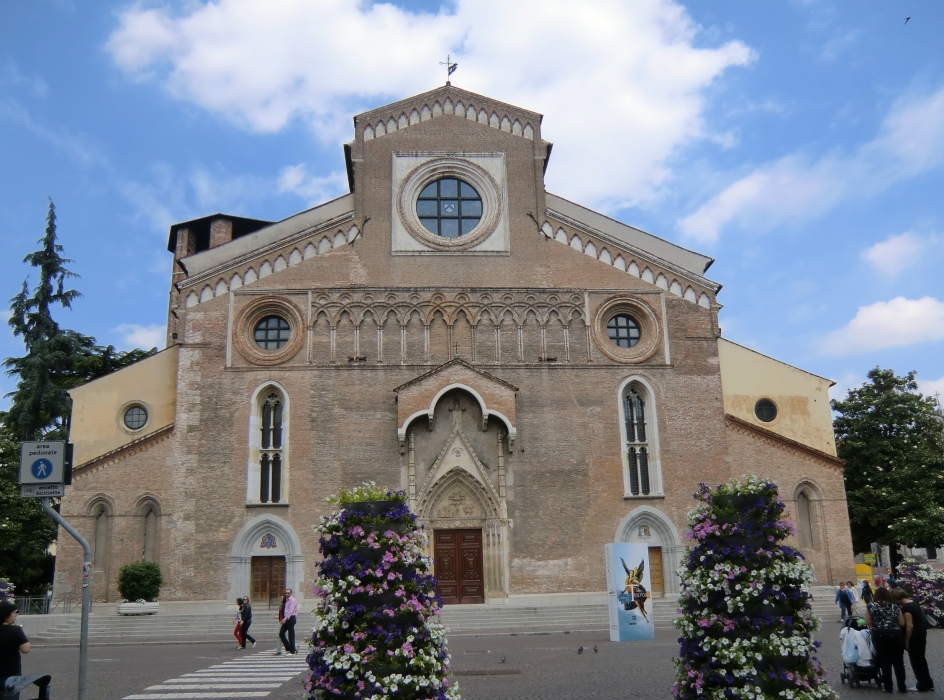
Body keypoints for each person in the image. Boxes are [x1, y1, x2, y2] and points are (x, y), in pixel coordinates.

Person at [0, 600, 49, 700]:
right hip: (11, 675)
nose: (15, 615)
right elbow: (26, 649)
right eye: (14, 612)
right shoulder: (15, 630)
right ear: (7, 614)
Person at [865, 586, 907, 693]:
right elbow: (902, 623)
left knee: (885, 662)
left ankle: (888, 687)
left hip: (879, 635)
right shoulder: (895, 606)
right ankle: (902, 687)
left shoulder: (871, 606)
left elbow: (868, 622)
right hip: (895, 634)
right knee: (899, 662)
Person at [891, 588, 934, 692]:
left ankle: (922, 685)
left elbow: (909, 626)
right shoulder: (914, 603)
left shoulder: (906, 608)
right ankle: (928, 682)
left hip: (914, 636)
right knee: (921, 659)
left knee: (916, 661)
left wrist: (906, 641)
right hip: (921, 633)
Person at [279, 588, 297, 655]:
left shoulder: (292, 600)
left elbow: (291, 610)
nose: (287, 594)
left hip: (291, 618)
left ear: (291, 593)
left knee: (291, 635)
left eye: (288, 593)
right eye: (286, 593)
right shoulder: (286, 600)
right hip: (286, 618)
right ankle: (289, 648)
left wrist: (285, 618)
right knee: (281, 633)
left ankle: (292, 651)